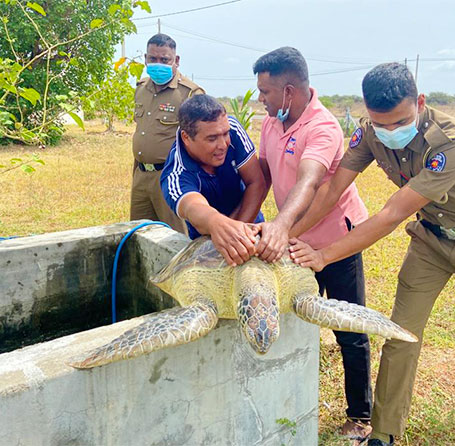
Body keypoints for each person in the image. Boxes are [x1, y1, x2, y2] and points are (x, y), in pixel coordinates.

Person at [288, 62, 455, 446]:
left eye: (399, 121)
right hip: (431, 241)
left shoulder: (454, 144)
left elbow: (392, 213)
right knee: (401, 334)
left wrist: (323, 255)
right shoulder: (369, 133)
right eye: (380, 124)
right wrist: (288, 232)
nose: (389, 132)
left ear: (419, 101)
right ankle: (383, 433)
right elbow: (332, 190)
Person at [252, 47, 372, 443]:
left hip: (334, 243)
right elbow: (262, 176)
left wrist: (283, 228)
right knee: (290, 325)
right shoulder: (272, 123)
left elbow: (310, 182)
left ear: (289, 91)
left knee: (347, 328)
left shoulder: (323, 127)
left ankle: (360, 415)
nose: (261, 100)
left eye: (266, 92)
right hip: (295, 246)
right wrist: (236, 222)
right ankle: (288, 405)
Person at [160, 94, 267, 266]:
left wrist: (237, 233)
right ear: (186, 138)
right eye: (212, 139)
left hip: (251, 227)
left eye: (225, 134)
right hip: (209, 248)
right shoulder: (176, 174)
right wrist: (215, 223)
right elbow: (193, 207)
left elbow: (256, 183)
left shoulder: (232, 129)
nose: (223, 144)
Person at [131, 33, 205, 233]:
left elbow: (201, 143)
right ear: (145, 58)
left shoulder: (189, 94)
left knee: (174, 239)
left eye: (165, 60)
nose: (158, 64)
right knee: (140, 236)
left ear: (176, 61)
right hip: (141, 176)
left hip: (171, 177)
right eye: (152, 59)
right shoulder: (141, 89)